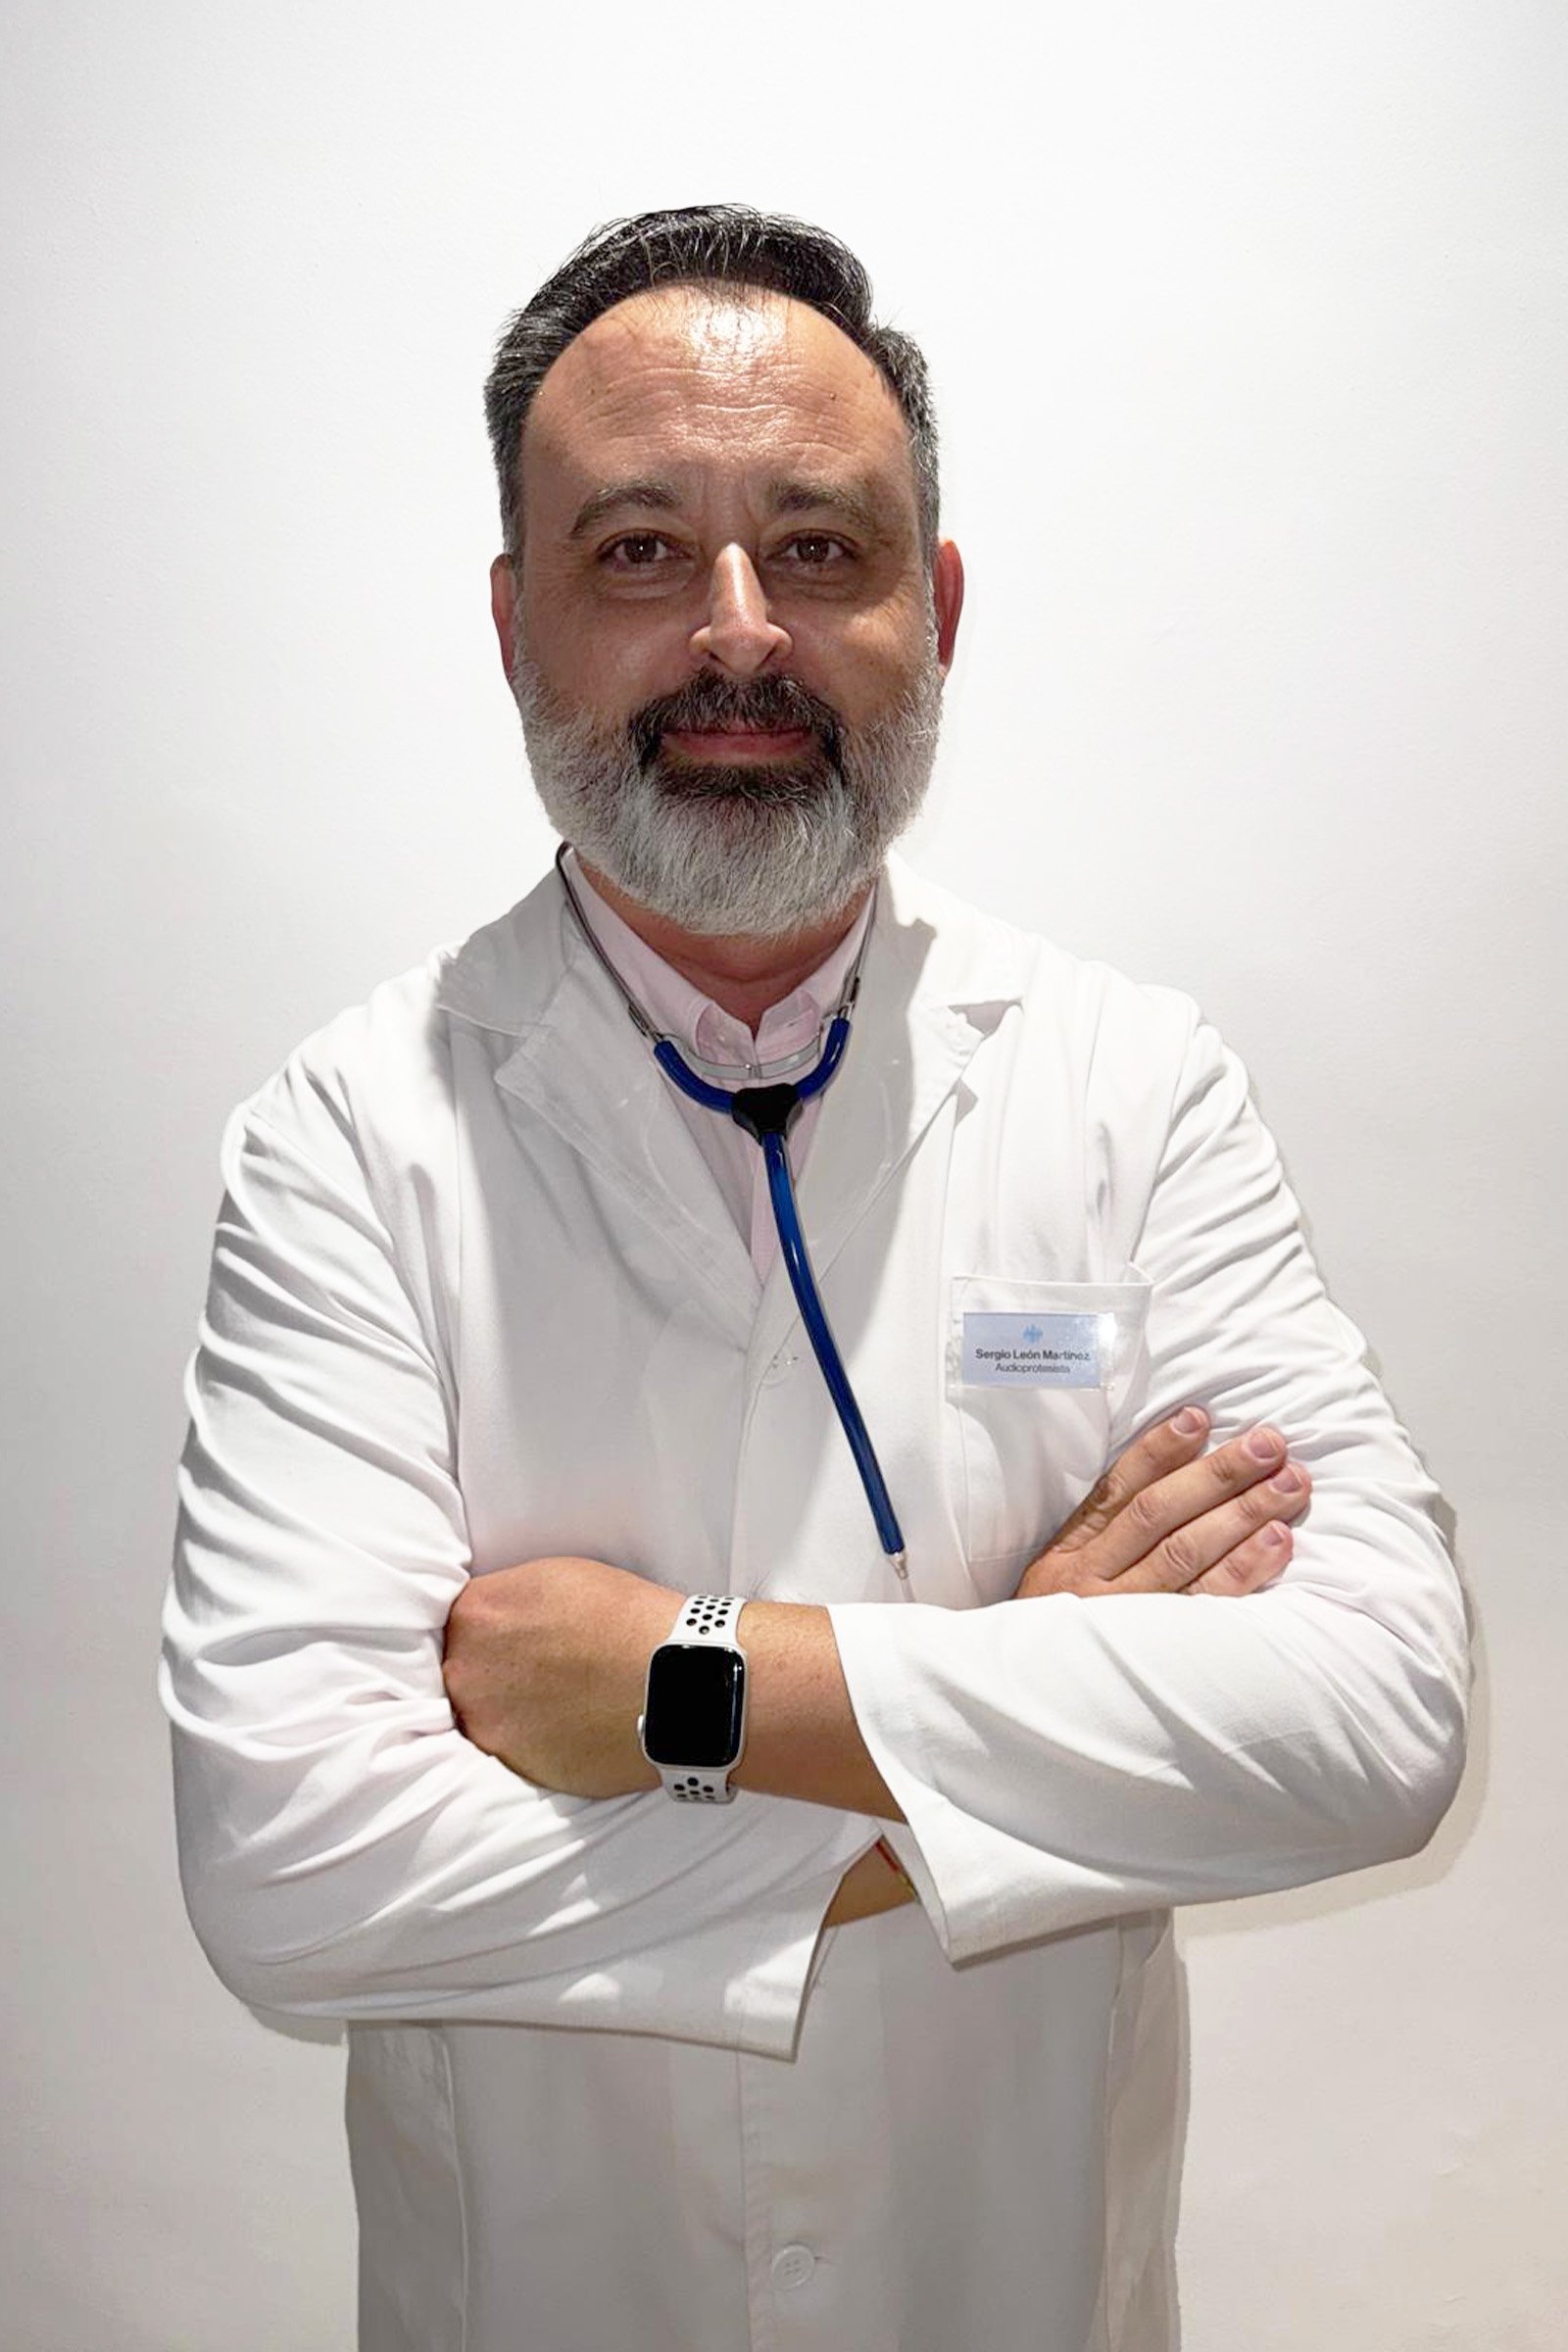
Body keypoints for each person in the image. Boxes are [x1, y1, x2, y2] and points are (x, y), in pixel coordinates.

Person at [161, 206, 1469, 2352]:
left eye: (820, 549)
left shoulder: (1128, 1086)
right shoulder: (352, 1135)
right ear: (512, 621)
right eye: (638, 553)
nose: (739, 633)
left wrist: (681, 1693)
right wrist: (1019, 1710)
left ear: (933, 608)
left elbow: (1377, 1717)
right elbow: (293, 1871)